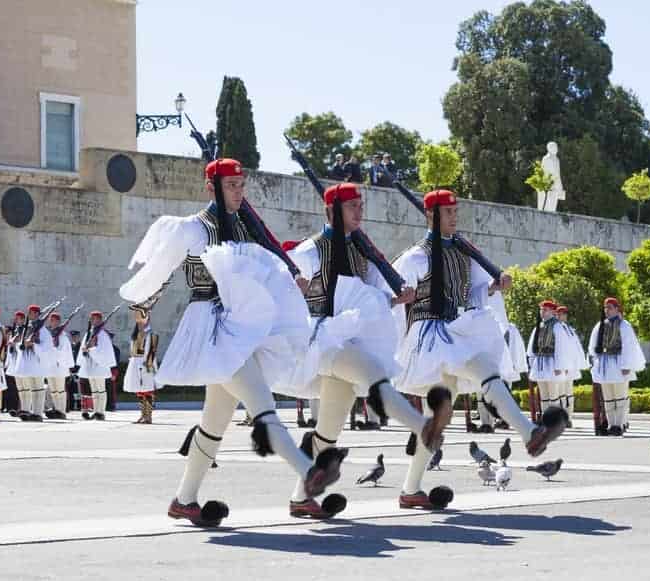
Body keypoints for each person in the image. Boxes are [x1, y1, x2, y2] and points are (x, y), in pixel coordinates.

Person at [119, 157, 342, 528]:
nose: (239, 192)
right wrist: (140, 302)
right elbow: (156, 274)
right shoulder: (190, 229)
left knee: (214, 421)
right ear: (211, 189)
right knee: (261, 403)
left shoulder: (245, 227)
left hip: (244, 324)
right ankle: (308, 472)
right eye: (232, 186)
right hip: (211, 327)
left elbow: (269, 269)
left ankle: (185, 500)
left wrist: (292, 282)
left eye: (242, 185)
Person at [281, 181, 451, 519]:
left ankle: (300, 498)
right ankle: (422, 427)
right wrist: (293, 282)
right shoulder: (313, 250)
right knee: (374, 373)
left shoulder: (362, 250)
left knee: (329, 429)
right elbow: (282, 278)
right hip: (323, 339)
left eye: (361, 205)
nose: (360, 212)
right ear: (331, 211)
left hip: (351, 338)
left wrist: (397, 298)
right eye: (353, 206)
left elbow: (373, 299)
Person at [392, 189, 567, 509]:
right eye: (448, 213)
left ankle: (410, 489)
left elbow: (472, 293)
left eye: (456, 212)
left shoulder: (462, 253)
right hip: (431, 335)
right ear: (430, 216)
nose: (455, 217)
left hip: (456, 329)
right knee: (483, 367)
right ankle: (528, 432)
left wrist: (492, 286)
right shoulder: (415, 257)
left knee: (436, 420)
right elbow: (395, 298)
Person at [588, 297, 646, 436]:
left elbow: (629, 346)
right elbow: (592, 345)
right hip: (604, 363)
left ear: (616, 309)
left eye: (610, 308)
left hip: (618, 362)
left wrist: (627, 365)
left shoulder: (624, 325)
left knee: (619, 396)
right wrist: (594, 361)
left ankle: (619, 424)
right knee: (608, 397)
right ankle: (611, 424)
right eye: (605, 308)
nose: (606, 310)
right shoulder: (600, 325)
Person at [527, 300, 575, 416]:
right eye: (541, 310)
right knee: (544, 395)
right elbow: (532, 347)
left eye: (545, 310)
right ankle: (545, 419)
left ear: (553, 312)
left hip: (552, 363)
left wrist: (559, 366)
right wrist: (531, 363)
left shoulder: (557, 326)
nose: (542, 312)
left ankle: (554, 420)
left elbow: (561, 348)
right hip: (540, 363)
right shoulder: (539, 326)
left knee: (553, 394)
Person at [10, 304, 56, 422]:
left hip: (38, 363)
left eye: (31, 313)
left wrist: (33, 345)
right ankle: (31, 411)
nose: (29, 315)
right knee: (32, 388)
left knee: (39, 388)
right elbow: (21, 344)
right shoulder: (28, 328)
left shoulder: (43, 331)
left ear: (36, 314)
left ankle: (37, 413)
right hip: (29, 363)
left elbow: (47, 348)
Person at [77, 311, 116, 421]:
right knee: (94, 390)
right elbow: (83, 347)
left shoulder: (102, 334)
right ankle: (95, 411)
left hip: (100, 366)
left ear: (100, 320)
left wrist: (90, 350)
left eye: (96, 319)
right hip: (90, 365)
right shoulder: (89, 333)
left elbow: (103, 351)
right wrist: (84, 352)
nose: (93, 321)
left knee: (101, 389)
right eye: (92, 319)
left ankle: (101, 412)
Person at [556, 305, 589, 424]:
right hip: (561, 366)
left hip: (570, 366)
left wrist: (575, 364)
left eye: (564, 314)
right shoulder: (557, 329)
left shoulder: (569, 329)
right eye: (559, 314)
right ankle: (561, 418)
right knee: (560, 394)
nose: (562, 316)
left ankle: (568, 417)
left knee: (568, 394)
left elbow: (575, 348)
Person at [125, 309, 159, 424]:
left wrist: (148, 364)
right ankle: (143, 415)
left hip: (145, 364)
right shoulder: (135, 334)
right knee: (139, 391)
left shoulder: (150, 334)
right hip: (136, 364)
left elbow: (152, 350)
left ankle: (148, 416)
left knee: (147, 390)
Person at [43, 311, 75, 419]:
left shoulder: (63, 336)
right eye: (51, 320)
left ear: (58, 322)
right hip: (50, 366)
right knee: (53, 390)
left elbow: (63, 352)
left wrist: (53, 348)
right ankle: (56, 409)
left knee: (60, 390)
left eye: (54, 320)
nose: (52, 322)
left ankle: (61, 411)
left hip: (60, 367)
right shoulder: (48, 335)